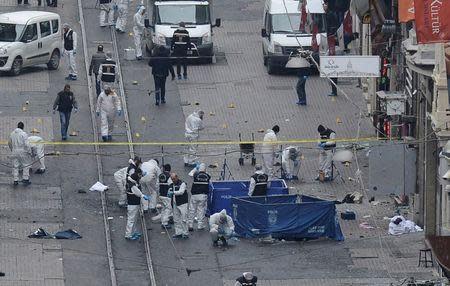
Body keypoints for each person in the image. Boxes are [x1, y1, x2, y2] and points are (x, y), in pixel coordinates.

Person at [125, 170, 150, 240]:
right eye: (140, 175)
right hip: (132, 204)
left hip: (135, 203)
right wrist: (143, 196)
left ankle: (133, 232)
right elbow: (137, 192)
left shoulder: (131, 181)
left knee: (134, 219)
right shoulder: (132, 185)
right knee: (131, 219)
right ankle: (128, 234)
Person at [187, 163, 211, 231]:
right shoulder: (208, 175)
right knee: (201, 210)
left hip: (194, 194)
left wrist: (195, 168)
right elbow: (208, 175)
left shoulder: (196, 174)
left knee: (192, 209)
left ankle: (190, 225)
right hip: (203, 195)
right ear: (205, 169)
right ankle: (200, 225)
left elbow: (190, 173)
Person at [8, 122, 32, 186]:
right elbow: (27, 144)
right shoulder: (24, 134)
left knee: (15, 166)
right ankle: (25, 179)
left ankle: (15, 180)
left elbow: (9, 143)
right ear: (23, 127)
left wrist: (12, 149)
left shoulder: (12, 133)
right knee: (25, 165)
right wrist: (29, 152)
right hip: (22, 151)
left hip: (14, 151)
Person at [169, 173, 189, 239]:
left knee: (184, 219)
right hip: (175, 202)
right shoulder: (172, 184)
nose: (173, 180)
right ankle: (178, 232)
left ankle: (185, 233)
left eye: (174, 179)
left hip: (183, 203)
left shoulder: (182, 184)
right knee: (176, 218)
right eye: (172, 179)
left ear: (177, 177)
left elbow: (181, 192)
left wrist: (173, 193)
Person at [158, 164, 173, 229]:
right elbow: (171, 185)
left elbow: (157, 184)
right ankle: (165, 222)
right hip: (167, 195)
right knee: (168, 208)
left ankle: (162, 220)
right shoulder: (169, 176)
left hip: (161, 194)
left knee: (164, 208)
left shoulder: (160, 175)